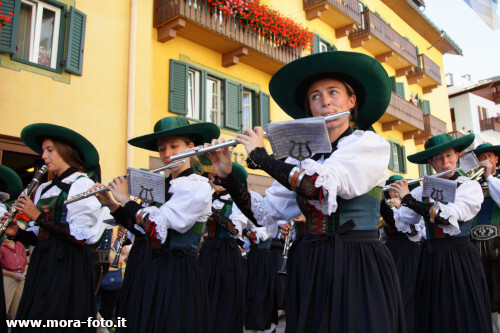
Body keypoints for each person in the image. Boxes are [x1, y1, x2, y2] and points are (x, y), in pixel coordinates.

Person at [206, 51, 405, 332]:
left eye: (333, 92)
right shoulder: (303, 158)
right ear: (310, 109)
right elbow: (265, 213)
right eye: (315, 96)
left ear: (351, 101)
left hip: (357, 260)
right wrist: (228, 176)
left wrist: (262, 157)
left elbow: (317, 188)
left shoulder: (369, 144)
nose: (324, 101)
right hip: (311, 261)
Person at [94, 116, 219, 332]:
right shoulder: (160, 186)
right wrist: (112, 205)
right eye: (162, 149)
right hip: (145, 267)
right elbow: (142, 231)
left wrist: (126, 199)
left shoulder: (197, 186)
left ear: (191, 147)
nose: (167, 154)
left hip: (174, 270)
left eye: (174, 146)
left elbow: (155, 227)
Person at [1, 123, 103, 332]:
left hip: (68, 263)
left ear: (66, 151)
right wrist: (17, 232)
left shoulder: (81, 184)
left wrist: (37, 216)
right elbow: (42, 237)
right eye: (43, 151)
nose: (44, 156)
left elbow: (79, 238)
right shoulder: (45, 187)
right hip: (43, 261)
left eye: (49, 150)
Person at [390, 133, 492, 332]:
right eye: (438, 158)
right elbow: (403, 221)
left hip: (459, 256)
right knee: (435, 312)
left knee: (462, 312)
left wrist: (408, 199)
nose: (445, 163)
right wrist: (385, 202)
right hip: (431, 256)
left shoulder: (468, 186)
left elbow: (445, 217)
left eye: (449, 156)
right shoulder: (422, 190)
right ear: (431, 163)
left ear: (457, 156)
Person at [198, 159, 247, 333]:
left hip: (226, 254)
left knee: (225, 297)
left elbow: (234, 230)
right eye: (210, 177)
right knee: (205, 296)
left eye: (215, 177)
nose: (211, 181)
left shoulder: (237, 202)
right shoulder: (208, 199)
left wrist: (211, 212)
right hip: (208, 252)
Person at [380, 175, 424, 333]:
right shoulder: (387, 207)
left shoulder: (412, 207)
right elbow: (383, 235)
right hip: (391, 252)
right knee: (392, 293)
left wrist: (400, 209)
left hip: (410, 251)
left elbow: (417, 232)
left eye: (397, 188)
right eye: (391, 189)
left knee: (409, 292)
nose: (394, 192)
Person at [473, 143, 500, 332]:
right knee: (482, 293)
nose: (485, 161)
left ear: (496, 159)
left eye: (489, 156)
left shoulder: (497, 181)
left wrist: (489, 176)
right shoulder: (470, 184)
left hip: (498, 244)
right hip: (474, 245)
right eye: (481, 157)